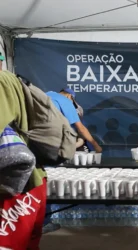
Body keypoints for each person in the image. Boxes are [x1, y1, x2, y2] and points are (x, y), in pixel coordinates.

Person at [0, 63, 47, 248]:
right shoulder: (17, 81)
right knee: (29, 241)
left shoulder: (2, 82)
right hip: (34, 176)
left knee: (8, 244)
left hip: (14, 180)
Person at [43, 88, 103, 234]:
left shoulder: (44, 95)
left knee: (40, 182)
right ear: (70, 96)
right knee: (47, 184)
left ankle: (34, 221)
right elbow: (80, 127)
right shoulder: (65, 101)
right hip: (49, 145)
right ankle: (44, 223)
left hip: (32, 144)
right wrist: (95, 145)